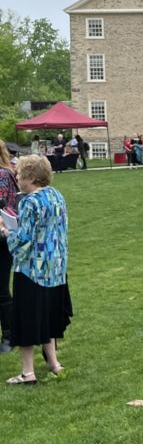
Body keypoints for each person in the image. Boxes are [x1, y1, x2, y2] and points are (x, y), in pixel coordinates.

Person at [1, 155, 70, 383]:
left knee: (28, 319)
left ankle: (27, 372)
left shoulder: (30, 202)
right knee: (48, 317)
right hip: (56, 268)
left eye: (19, 174)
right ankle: (54, 362)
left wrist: (6, 232)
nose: (17, 178)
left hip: (32, 270)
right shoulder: (56, 195)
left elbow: (23, 241)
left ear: (30, 177)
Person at [0, 140, 20, 354]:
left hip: (2, 237)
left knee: (1, 290)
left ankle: (9, 334)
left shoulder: (3, 175)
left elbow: (4, 207)